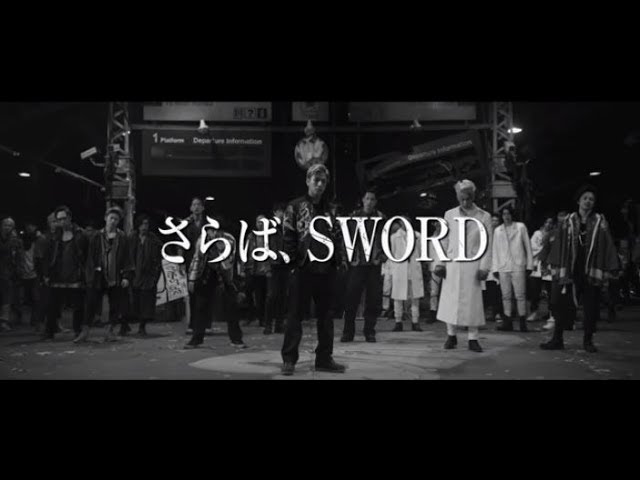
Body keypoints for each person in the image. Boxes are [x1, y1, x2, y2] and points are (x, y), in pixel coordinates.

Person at [280, 163, 347, 376]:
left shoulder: (331, 210)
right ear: (308, 181)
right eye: (316, 180)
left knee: (326, 317)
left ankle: (324, 359)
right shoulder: (295, 206)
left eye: (323, 181)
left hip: (326, 270)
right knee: (295, 316)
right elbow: (288, 236)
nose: (319, 184)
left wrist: (339, 261)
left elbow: (338, 237)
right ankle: (289, 359)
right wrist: (292, 264)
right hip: (303, 269)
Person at [540, 185, 620, 353]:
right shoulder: (568, 221)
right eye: (585, 198)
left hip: (590, 271)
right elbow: (559, 243)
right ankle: (557, 339)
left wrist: (612, 266)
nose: (588, 201)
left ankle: (588, 341)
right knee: (562, 305)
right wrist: (552, 264)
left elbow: (607, 244)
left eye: (591, 199)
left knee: (591, 307)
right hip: (571, 270)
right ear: (578, 201)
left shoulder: (599, 222)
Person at [434, 180, 493, 352]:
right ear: (457, 197)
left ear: (474, 197)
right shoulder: (449, 214)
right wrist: (439, 263)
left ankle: (473, 338)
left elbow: (487, 244)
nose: (465, 202)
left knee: (472, 302)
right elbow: (443, 240)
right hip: (452, 263)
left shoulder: (484, 216)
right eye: (462, 199)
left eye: (468, 198)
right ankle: (451, 335)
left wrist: (484, 267)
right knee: (450, 301)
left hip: (473, 264)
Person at [78, 206, 133, 343]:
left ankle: (110, 332)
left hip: (116, 276)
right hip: (98, 276)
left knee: (115, 305)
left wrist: (126, 276)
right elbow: (90, 257)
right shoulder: (97, 236)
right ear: (105, 219)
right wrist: (90, 275)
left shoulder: (122, 237)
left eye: (116, 219)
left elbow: (127, 258)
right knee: (90, 304)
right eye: (111, 218)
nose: (113, 221)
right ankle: (85, 332)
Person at [185, 225, 245, 349]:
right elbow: (197, 259)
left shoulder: (228, 239)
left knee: (231, 306)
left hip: (226, 275)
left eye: (212, 231)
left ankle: (236, 339)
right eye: (208, 231)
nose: (210, 233)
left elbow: (228, 261)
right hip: (207, 274)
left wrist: (217, 245)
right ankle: (197, 338)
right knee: (201, 306)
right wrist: (192, 278)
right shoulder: (202, 240)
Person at [340, 188, 386, 343]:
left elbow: (386, 239)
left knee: (373, 299)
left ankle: (369, 331)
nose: (369, 202)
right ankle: (348, 332)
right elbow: (346, 238)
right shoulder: (353, 217)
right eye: (367, 199)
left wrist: (384, 255)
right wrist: (345, 258)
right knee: (351, 298)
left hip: (374, 263)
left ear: (375, 202)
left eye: (372, 199)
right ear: (363, 200)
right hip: (357, 262)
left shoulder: (381, 218)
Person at [42, 206, 89, 340]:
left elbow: (86, 255)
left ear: (70, 218)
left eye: (64, 218)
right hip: (57, 275)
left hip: (75, 275)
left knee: (78, 305)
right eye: (59, 219)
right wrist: (46, 274)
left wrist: (86, 273)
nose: (62, 221)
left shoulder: (80, 234)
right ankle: (49, 331)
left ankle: (77, 331)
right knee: (52, 305)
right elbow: (48, 256)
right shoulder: (54, 235)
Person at [492, 205, 534, 332]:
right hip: (503, 266)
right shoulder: (498, 230)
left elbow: (528, 247)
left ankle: (522, 323)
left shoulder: (520, 227)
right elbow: (495, 250)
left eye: (508, 213)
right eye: (504, 214)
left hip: (518, 264)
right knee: (506, 295)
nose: (506, 216)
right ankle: (507, 322)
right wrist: (495, 268)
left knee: (520, 295)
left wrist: (530, 265)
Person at [389, 216, 424, 333]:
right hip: (400, 269)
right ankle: (398, 321)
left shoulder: (417, 236)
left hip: (413, 268)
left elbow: (420, 252)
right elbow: (393, 253)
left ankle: (415, 321)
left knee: (415, 297)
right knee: (398, 297)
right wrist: (392, 270)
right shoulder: (394, 237)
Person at [129, 214, 163, 336]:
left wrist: (155, 273)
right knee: (135, 300)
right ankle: (128, 324)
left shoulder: (153, 239)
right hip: (135, 273)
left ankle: (142, 326)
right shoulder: (132, 238)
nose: (144, 227)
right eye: (142, 224)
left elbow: (158, 256)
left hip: (148, 275)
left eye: (146, 224)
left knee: (146, 301)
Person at [264, 202, 289, 334]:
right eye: (281, 211)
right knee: (272, 295)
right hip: (273, 264)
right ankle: (268, 324)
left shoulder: (287, 226)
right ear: (275, 212)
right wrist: (267, 266)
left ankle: (279, 324)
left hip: (284, 264)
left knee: (282, 295)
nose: (283, 214)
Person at [183, 197, 206, 334]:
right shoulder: (187, 224)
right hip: (190, 261)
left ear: (203, 208)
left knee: (205, 292)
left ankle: (204, 323)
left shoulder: (207, 224)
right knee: (192, 292)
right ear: (191, 208)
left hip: (205, 261)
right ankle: (192, 323)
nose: (196, 207)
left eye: (198, 204)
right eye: (194, 205)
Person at [243, 214, 269, 327]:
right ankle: (251, 316)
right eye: (259, 222)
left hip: (264, 269)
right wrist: (243, 267)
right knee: (248, 292)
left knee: (261, 295)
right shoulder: (251, 236)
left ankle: (262, 318)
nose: (261, 224)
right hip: (252, 268)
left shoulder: (269, 236)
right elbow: (245, 251)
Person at [528, 215, 555, 323]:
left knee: (550, 291)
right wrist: (544, 248)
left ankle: (551, 313)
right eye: (547, 222)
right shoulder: (537, 234)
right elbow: (532, 247)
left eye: (551, 222)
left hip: (548, 266)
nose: (548, 224)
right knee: (535, 291)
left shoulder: (554, 234)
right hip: (537, 265)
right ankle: (534, 312)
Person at [0, 217, 25, 331]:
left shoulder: (16, 241)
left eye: (10, 225)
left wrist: (19, 271)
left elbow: (20, 257)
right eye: (5, 225)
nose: (7, 227)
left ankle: (4, 321)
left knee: (7, 298)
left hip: (8, 273)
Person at [483, 213, 503, 323]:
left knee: (497, 290)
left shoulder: (501, 233)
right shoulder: (485, 234)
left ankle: (498, 312)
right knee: (488, 289)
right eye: (492, 220)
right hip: (487, 264)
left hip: (499, 264)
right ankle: (489, 311)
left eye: (496, 221)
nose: (494, 223)